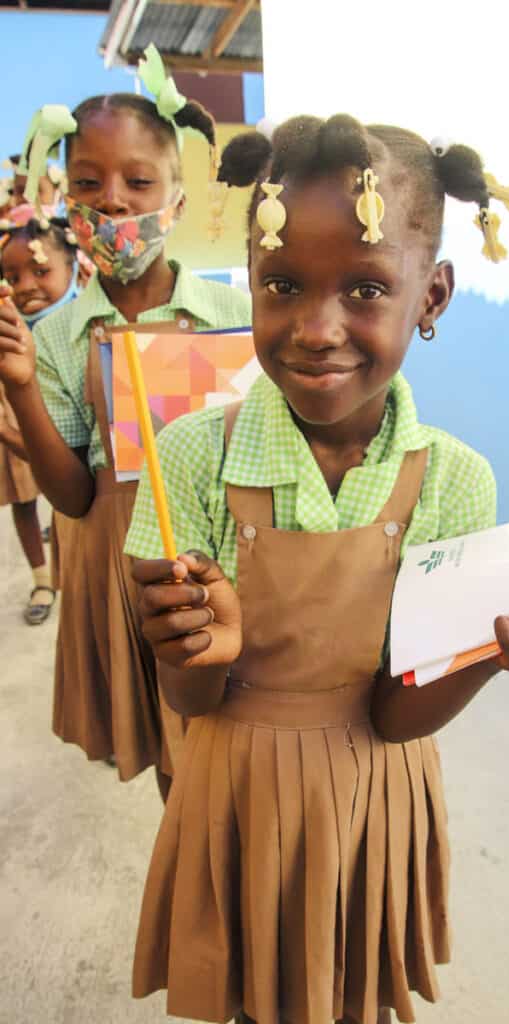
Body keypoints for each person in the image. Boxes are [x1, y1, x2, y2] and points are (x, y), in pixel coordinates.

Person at [126, 114, 509, 1023]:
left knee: (346, 987)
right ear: (251, 283)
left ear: (430, 297)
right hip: (230, 783)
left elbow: (397, 717)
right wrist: (190, 647)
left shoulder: (455, 481)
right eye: (282, 285)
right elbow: (190, 706)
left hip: (369, 799)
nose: (317, 330)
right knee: (240, 985)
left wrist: (489, 658)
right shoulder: (190, 456)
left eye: (364, 289)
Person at [0, 49, 251, 794]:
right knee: (174, 758)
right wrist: (19, 391)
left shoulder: (237, 318)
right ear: (67, 203)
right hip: (126, 570)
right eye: (87, 183)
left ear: (175, 201)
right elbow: (74, 498)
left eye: (138, 182)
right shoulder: (57, 337)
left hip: (230, 566)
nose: (112, 201)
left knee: (235, 742)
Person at [0, 216, 80, 623]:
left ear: (74, 266)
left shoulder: (86, 335)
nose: (25, 285)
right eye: (11, 275)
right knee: (23, 497)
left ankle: (60, 573)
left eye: (41, 270)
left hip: (80, 495)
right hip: (23, 440)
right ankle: (41, 578)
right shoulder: (8, 341)